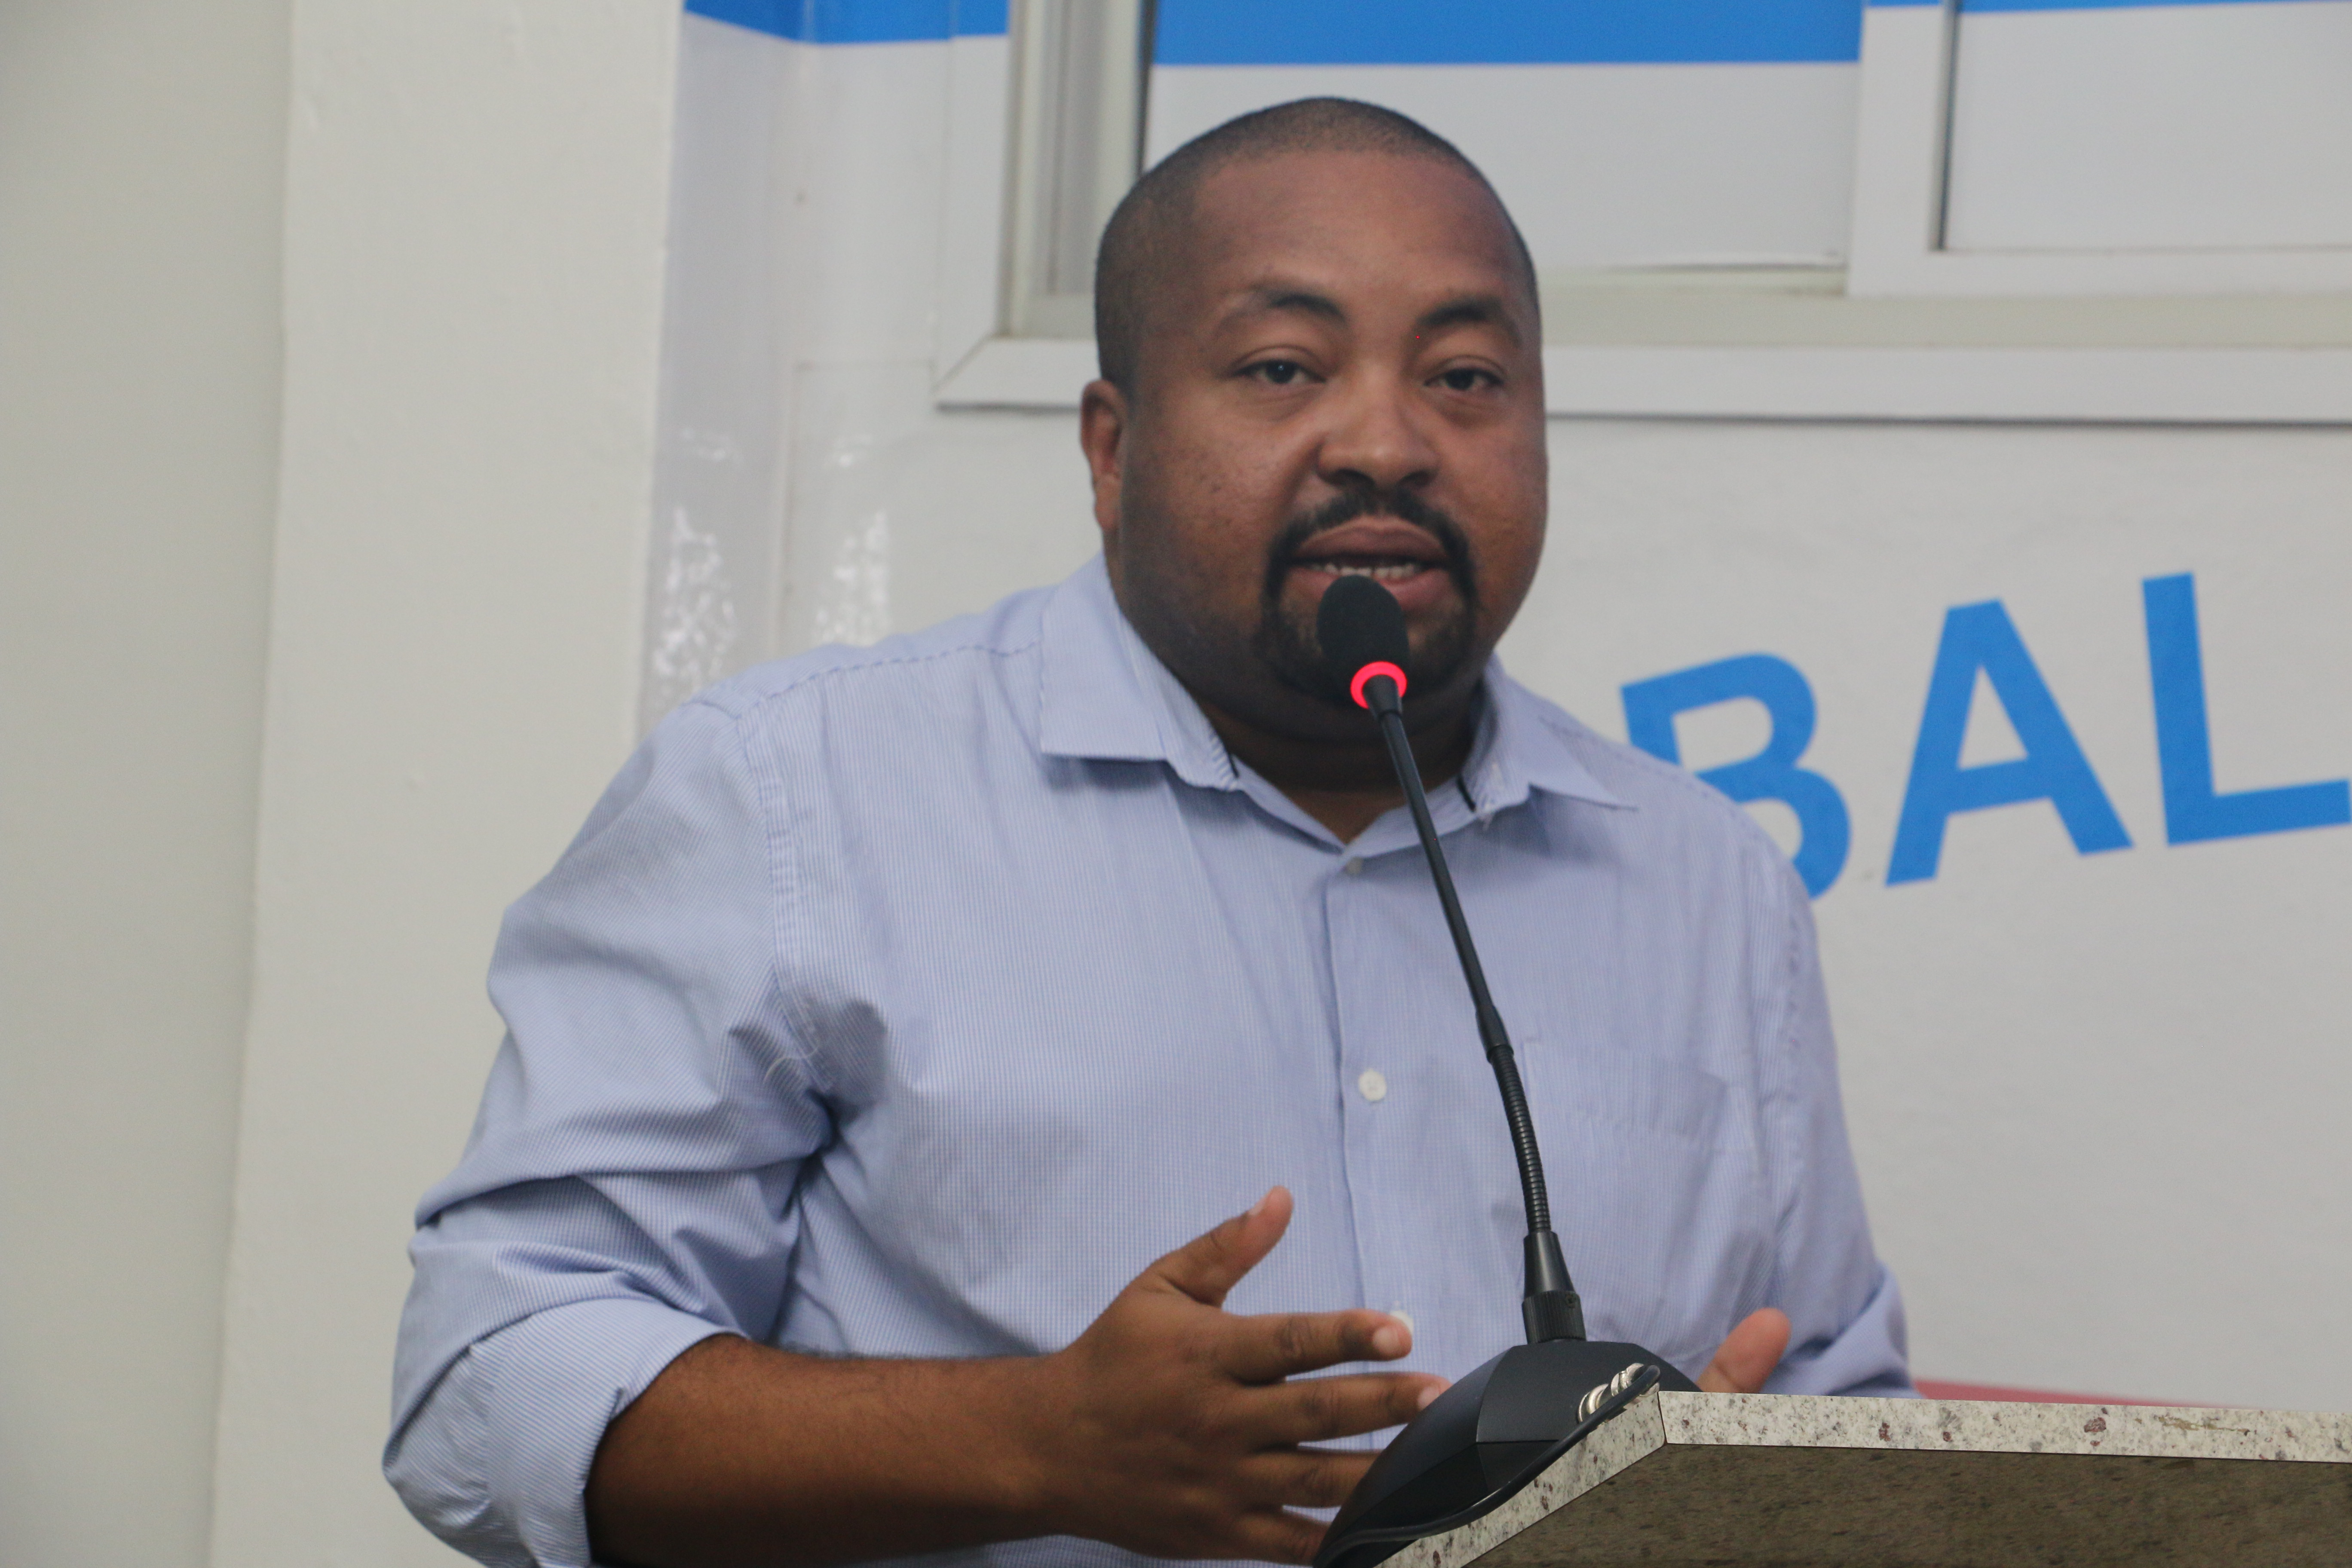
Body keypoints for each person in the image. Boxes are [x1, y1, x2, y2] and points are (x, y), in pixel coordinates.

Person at [388, 98, 1910, 1568]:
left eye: (1464, 377)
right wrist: (1033, 1445)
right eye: (1282, 367)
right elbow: (489, 1377)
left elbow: (1839, 1408)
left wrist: (1741, 1505)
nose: (1387, 442)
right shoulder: (795, 795)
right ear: (1111, 450)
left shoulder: (1706, 882)